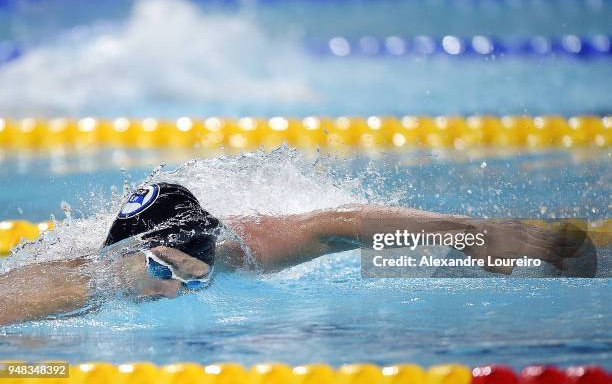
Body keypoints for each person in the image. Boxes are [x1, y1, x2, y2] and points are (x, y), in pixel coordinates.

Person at [0, 182, 589, 325]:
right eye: (161, 271)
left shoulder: (232, 254)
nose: (175, 294)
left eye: (194, 280)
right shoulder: (61, 289)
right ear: (130, 254)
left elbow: (337, 224)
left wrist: (476, 235)